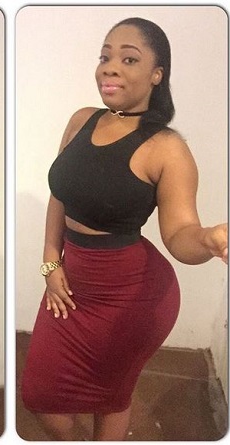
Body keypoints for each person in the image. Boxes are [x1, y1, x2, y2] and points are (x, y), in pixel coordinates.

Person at [20, 17, 228, 441]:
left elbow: (180, 235)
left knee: (111, 396)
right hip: (71, 284)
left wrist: (208, 240)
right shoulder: (81, 120)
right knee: (41, 398)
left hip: (130, 298)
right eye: (105, 56)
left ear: (156, 74)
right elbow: (61, 193)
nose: (110, 67)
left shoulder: (166, 148)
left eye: (128, 59)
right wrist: (50, 261)